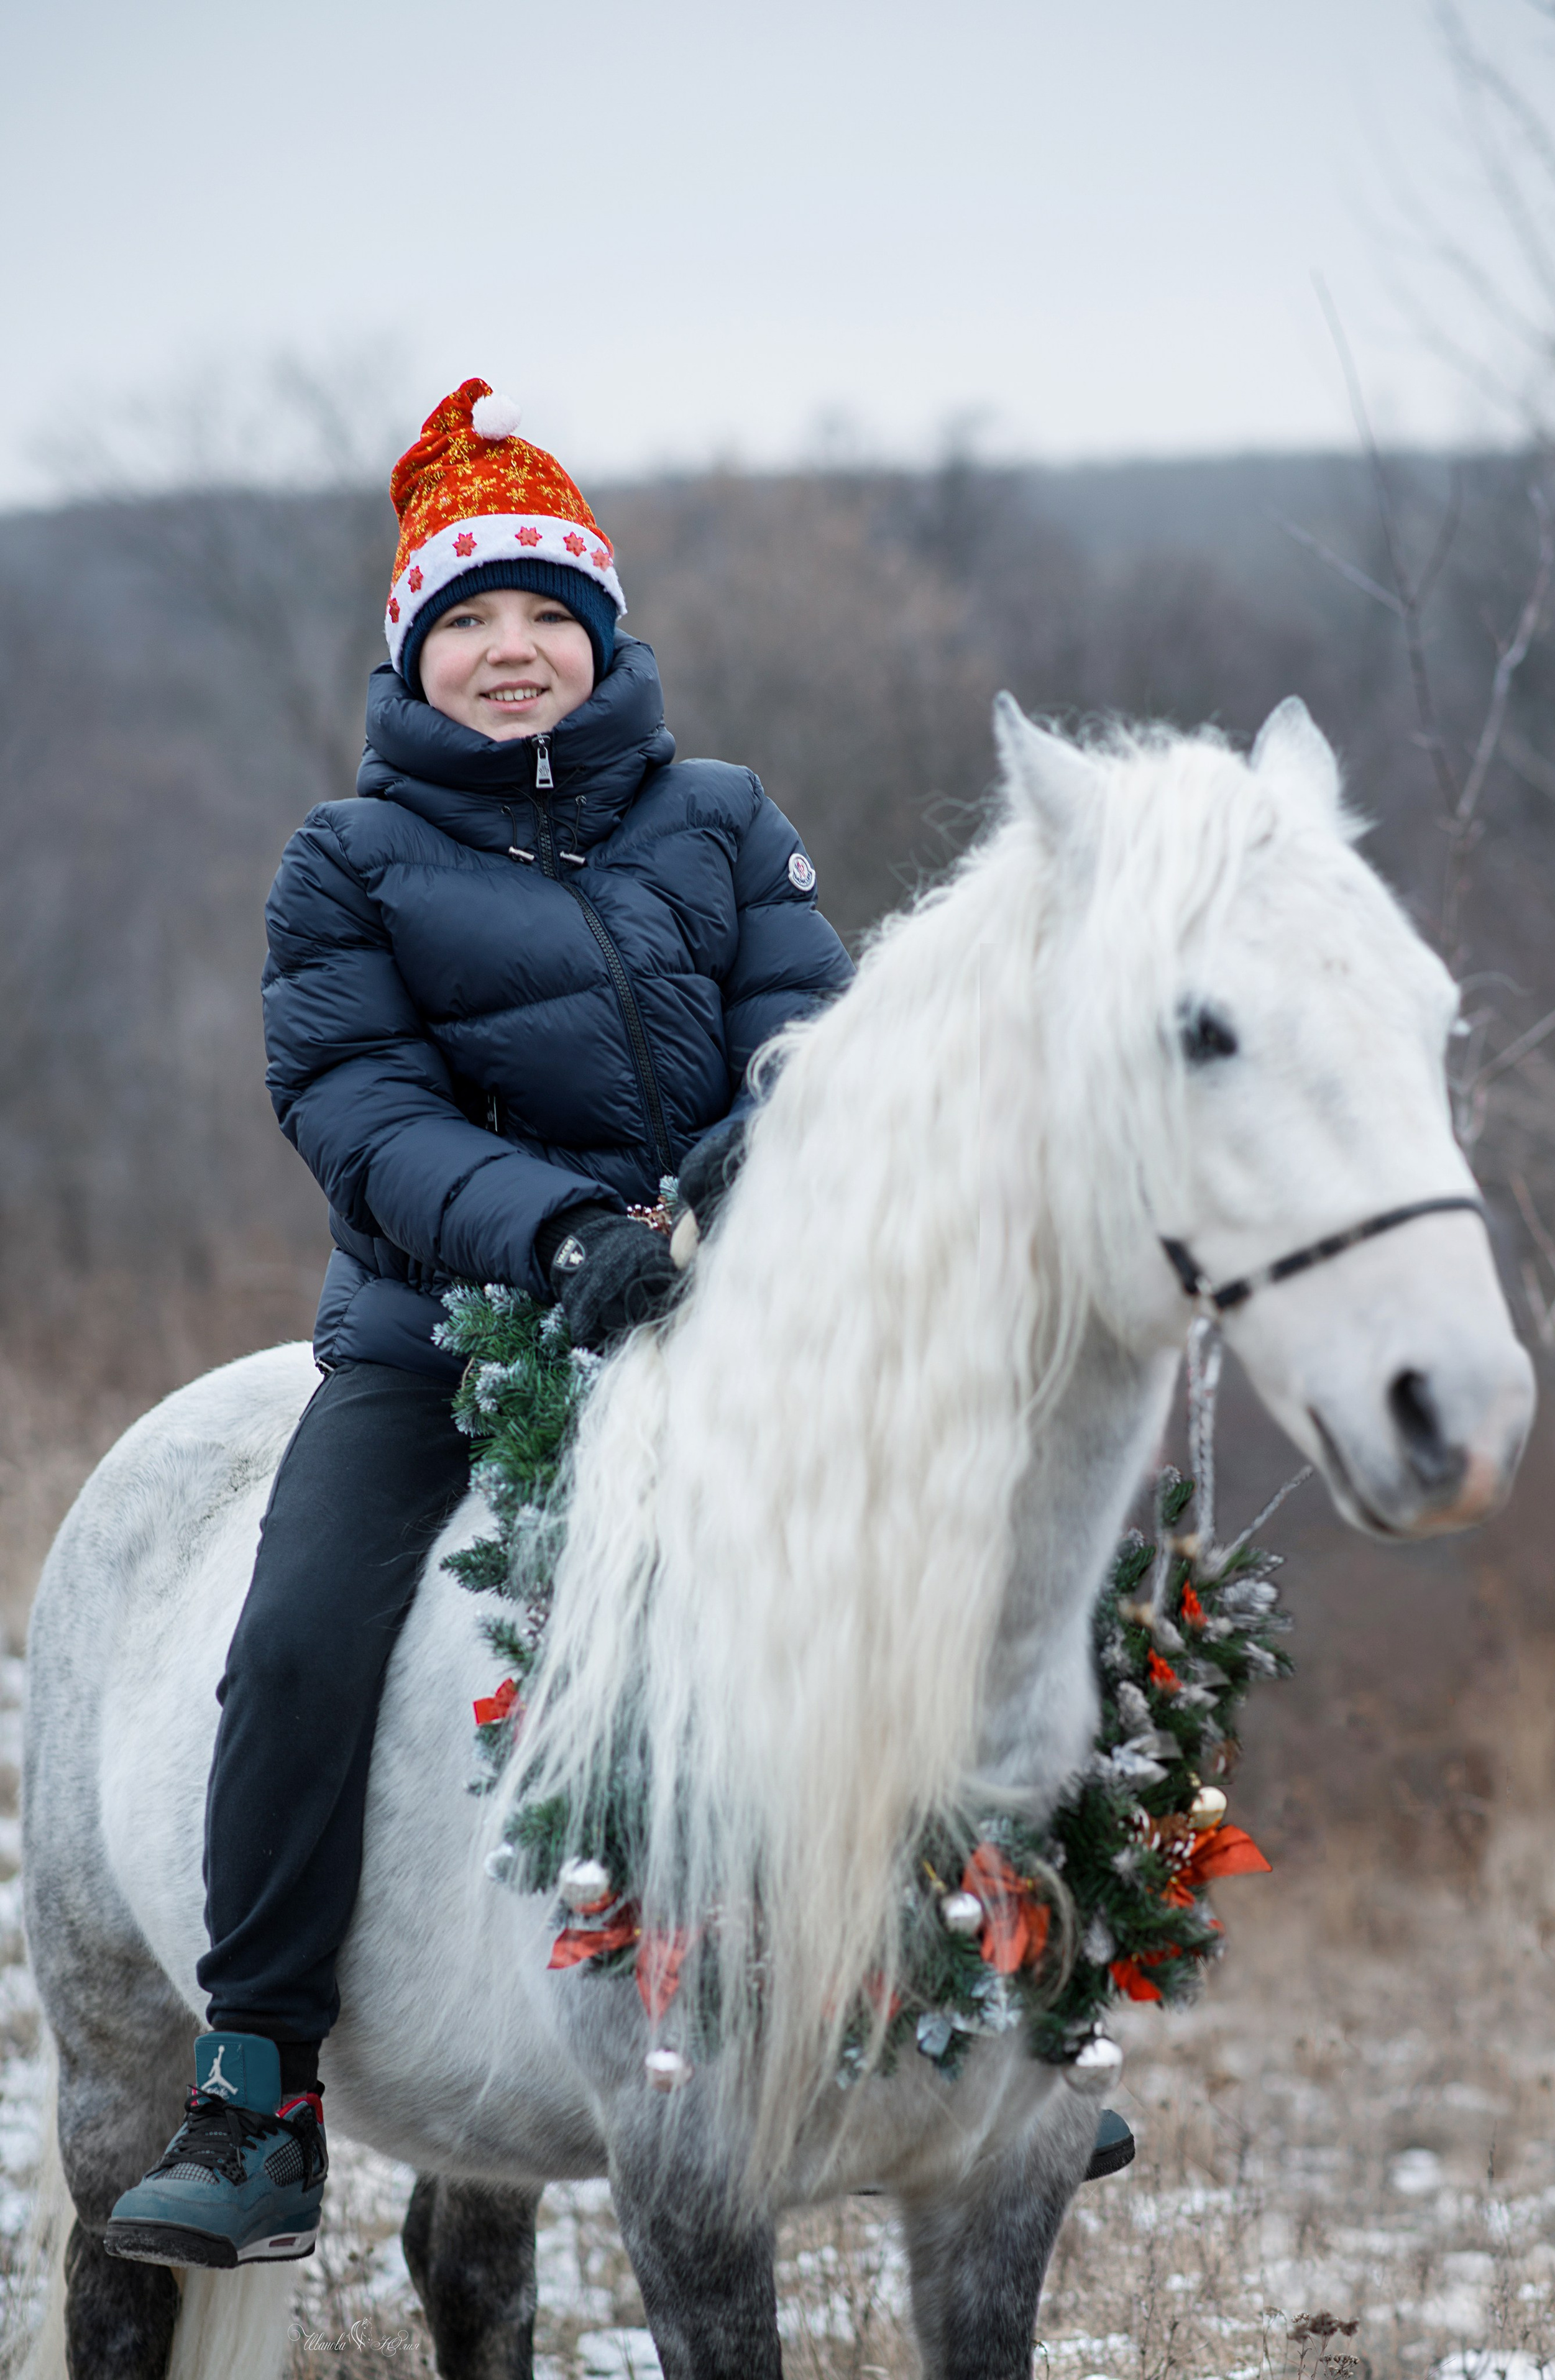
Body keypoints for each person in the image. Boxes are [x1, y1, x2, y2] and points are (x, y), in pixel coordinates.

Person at [104, 378, 1132, 2272]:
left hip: (740, 1325)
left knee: (989, 1553)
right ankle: (256, 2087)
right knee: (307, 1635)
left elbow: (816, 1040)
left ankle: (1010, 1989)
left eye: (543, 611)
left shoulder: (726, 819)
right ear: (419, 652)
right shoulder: (344, 863)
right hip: (449, 1339)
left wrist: (738, 1192)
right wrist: (564, 1232)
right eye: (466, 619)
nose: (511, 651)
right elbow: (360, 1114)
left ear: (602, 629)